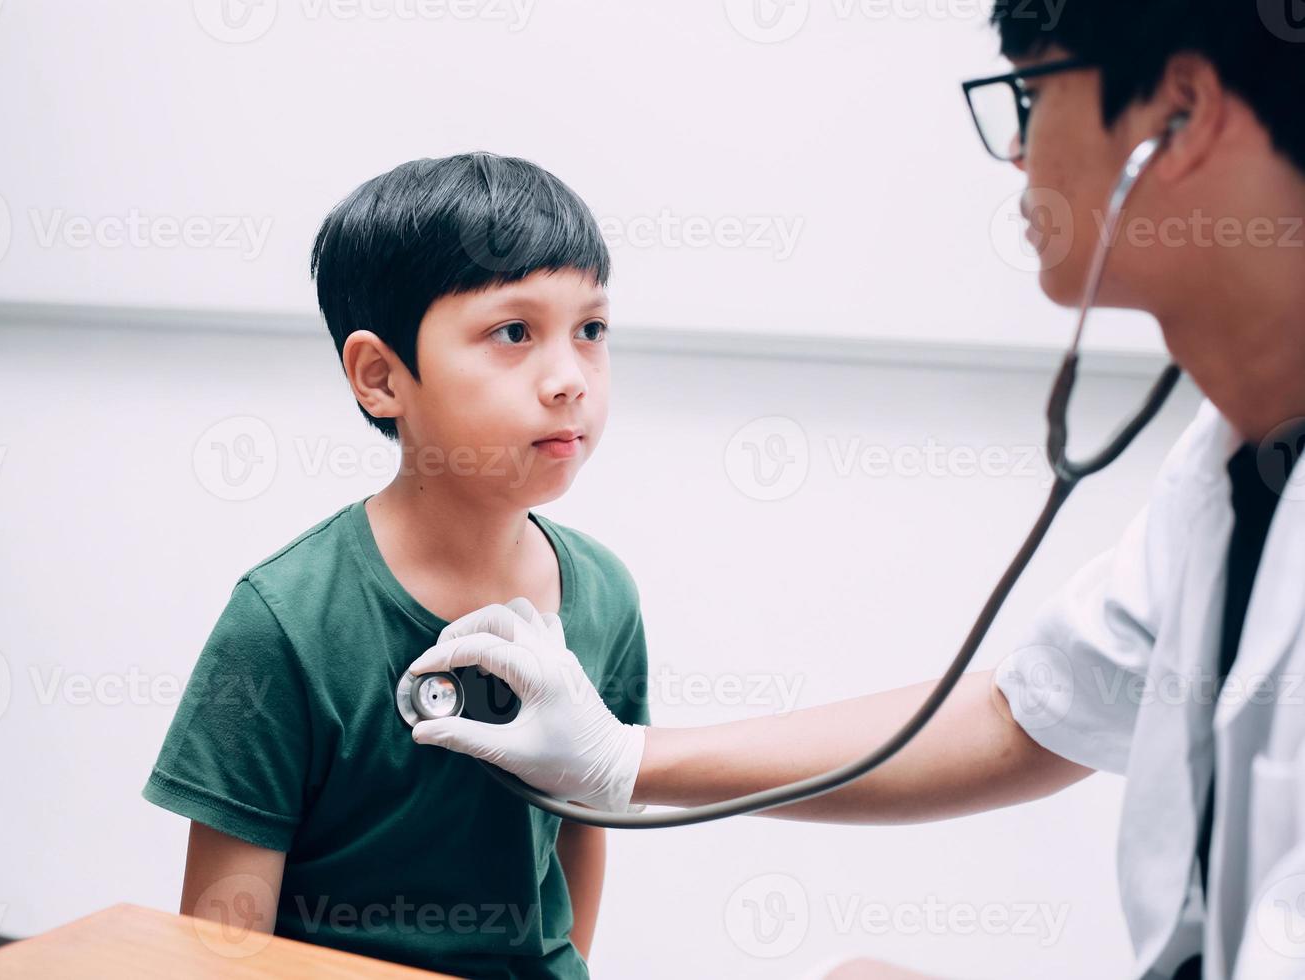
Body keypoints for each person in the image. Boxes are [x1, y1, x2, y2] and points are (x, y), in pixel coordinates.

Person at [405, 3, 1305, 977]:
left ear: (1178, 112)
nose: (1016, 152)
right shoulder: (1226, 470)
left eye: (1033, 96)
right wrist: (622, 758)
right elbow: (1031, 710)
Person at [141, 152, 651, 979]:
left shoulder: (605, 597)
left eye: (590, 329)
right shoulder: (286, 620)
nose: (569, 380)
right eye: (513, 332)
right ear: (380, 377)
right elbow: (221, 942)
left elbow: (584, 833)